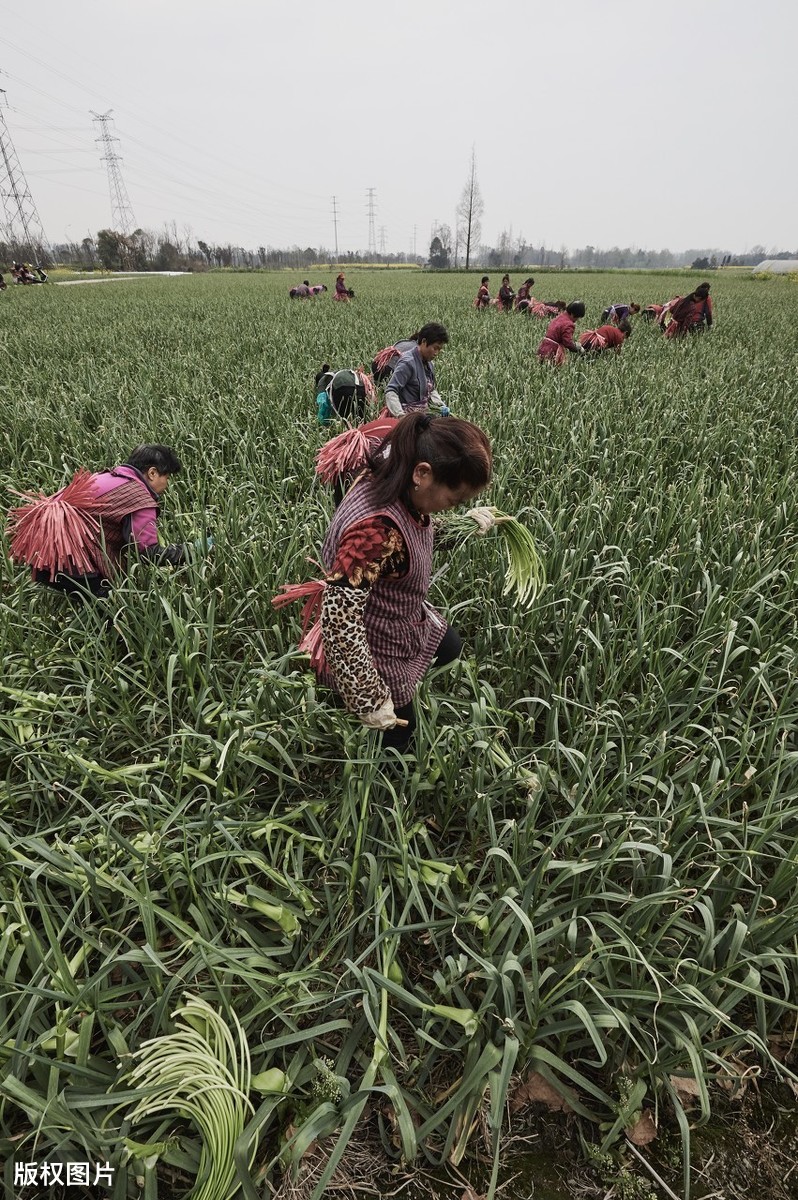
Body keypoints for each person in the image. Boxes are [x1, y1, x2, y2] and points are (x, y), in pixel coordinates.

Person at [273, 413, 495, 751]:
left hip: (396, 609)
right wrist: (368, 698)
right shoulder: (375, 532)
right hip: (372, 634)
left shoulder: (391, 470)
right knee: (400, 737)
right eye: (455, 500)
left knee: (450, 648)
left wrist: (462, 526)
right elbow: (339, 622)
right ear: (422, 473)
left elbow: (411, 537)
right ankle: (387, 776)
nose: (454, 507)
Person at [8, 444, 190, 598]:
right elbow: (148, 553)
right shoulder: (139, 497)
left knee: (98, 601)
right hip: (68, 557)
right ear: (152, 473)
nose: (167, 484)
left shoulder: (105, 477)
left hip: (40, 550)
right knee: (115, 609)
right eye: (167, 477)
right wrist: (191, 551)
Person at [384, 323, 449, 417]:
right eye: (435, 348)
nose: (436, 353)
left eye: (439, 349)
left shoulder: (429, 364)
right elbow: (391, 391)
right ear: (424, 342)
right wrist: (400, 415)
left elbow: (431, 389)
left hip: (422, 415)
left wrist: (441, 405)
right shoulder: (408, 363)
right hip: (408, 417)